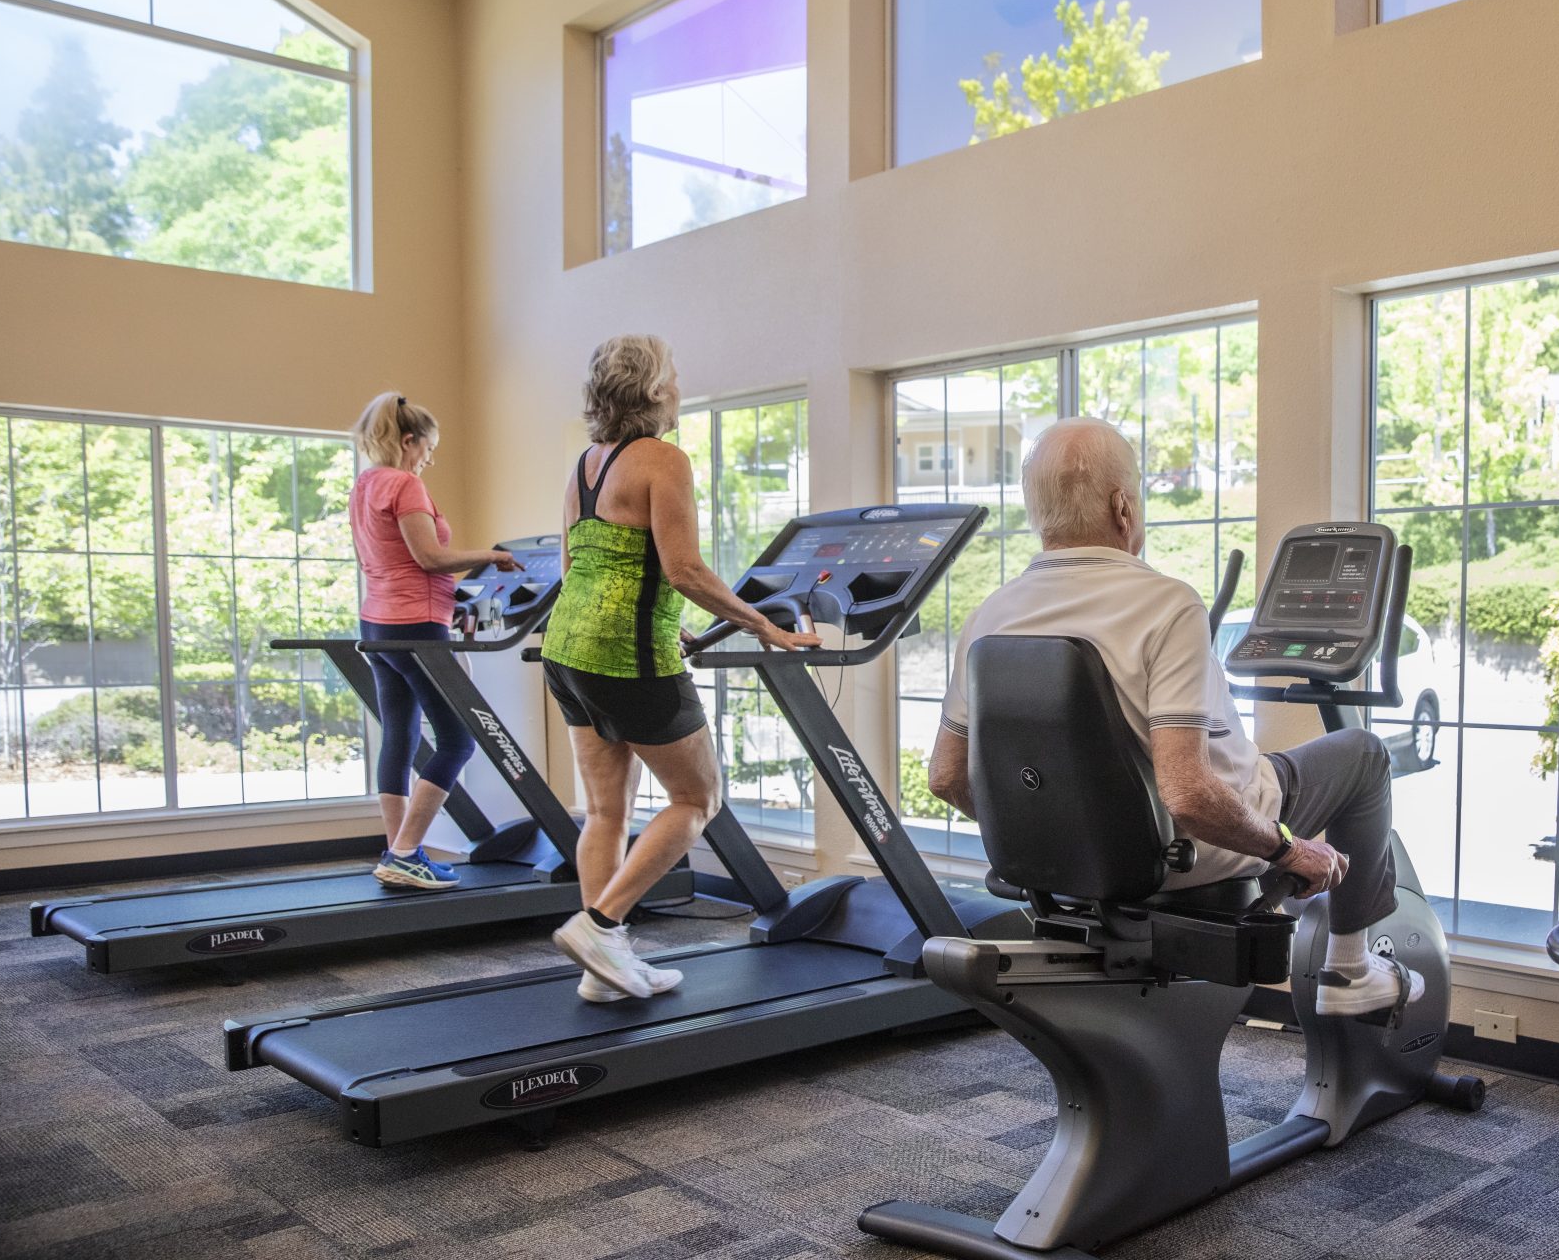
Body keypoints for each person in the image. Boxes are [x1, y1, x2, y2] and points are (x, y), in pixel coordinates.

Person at [926, 416, 1423, 1018]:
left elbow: (947, 778)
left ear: (1040, 513)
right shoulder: (1167, 604)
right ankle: (1352, 973)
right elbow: (1187, 795)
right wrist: (1289, 850)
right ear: (1123, 508)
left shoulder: (990, 615)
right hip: (1184, 852)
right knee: (1364, 755)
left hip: (1067, 867)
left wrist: (1069, 841)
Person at [543, 335, 818, 1002]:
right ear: (656, 391)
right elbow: (684, 568)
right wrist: (764, 626)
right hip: (628, 658)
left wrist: (668, 616)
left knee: (606, 811)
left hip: (569, 649)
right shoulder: (663, 460)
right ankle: (601, 925)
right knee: (697, 799)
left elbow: (581, 566)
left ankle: (602, 970)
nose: (680, 384)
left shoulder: (588, 463)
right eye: (675, 376)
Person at [349, 392, 522, 890]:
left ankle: (396, 852)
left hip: (377, 623)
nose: (430, 457)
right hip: (417, 625)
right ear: (408, 441)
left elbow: (396, 559)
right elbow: (427, 558)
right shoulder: (404, 485)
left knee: (400, 735)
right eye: (428, 447)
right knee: (458, 739)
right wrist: (491, 556)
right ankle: (405, 852)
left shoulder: (365, 484)